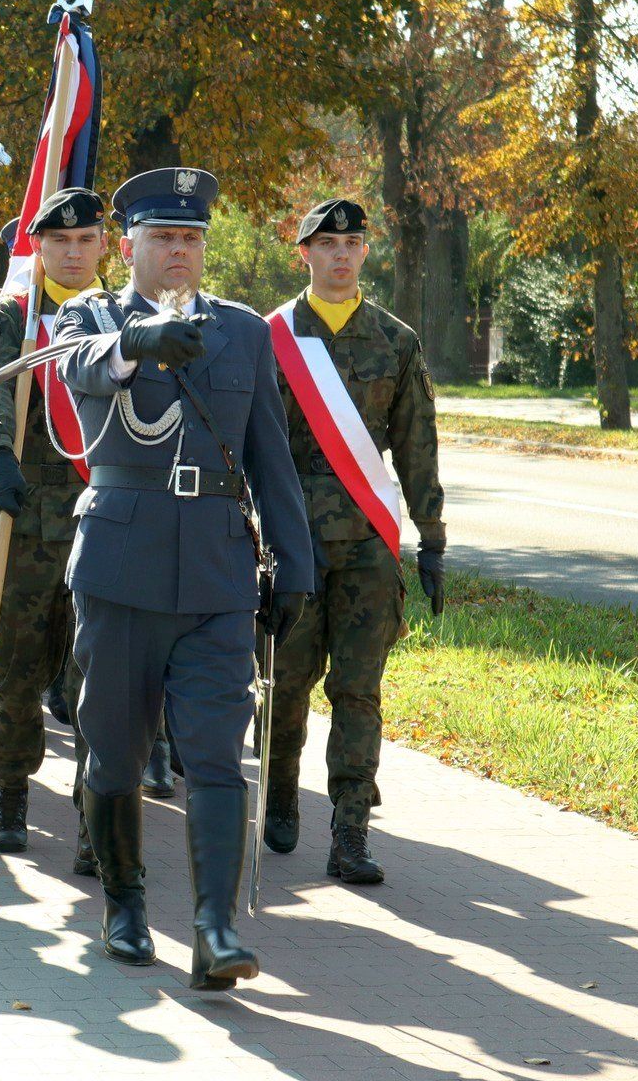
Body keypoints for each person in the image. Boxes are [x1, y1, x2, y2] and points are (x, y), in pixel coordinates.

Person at [52, 166, 312, 988]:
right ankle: (124, 905)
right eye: (162, 236)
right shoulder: (89, 315)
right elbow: (77, 365)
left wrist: (295, 565)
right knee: (114, 751)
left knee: (215, 753)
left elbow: (271, 456)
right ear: (128, 244)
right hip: (121, 568)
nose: (178, 250)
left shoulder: (243, 331)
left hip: (216, 571)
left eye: (191, 238)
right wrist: (138, 342)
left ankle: (214, 927)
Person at [263, 197, 445, 886]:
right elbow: (250, 444)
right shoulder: (273, 337)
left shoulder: (396, 341)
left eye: (352, 244)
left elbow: (417, 445)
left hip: (368, 545)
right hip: (293, 543)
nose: (341, 255)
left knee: (359, 690)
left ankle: (349, 832)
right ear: (304, 254)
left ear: (366, 252)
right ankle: (280, 788)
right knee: (285, 685)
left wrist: (432, 538)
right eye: (326, 245)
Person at [0, 187, 105, 856]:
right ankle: (10, 792)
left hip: (103, 525)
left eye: (84, 240)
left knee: (96, 677)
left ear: (103, 246)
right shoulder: (15, 315)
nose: (72, 253)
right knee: (17, 668)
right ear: (39, 247)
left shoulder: (120, 317)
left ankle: (95, 816)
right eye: (59, 241)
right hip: (26, 523)